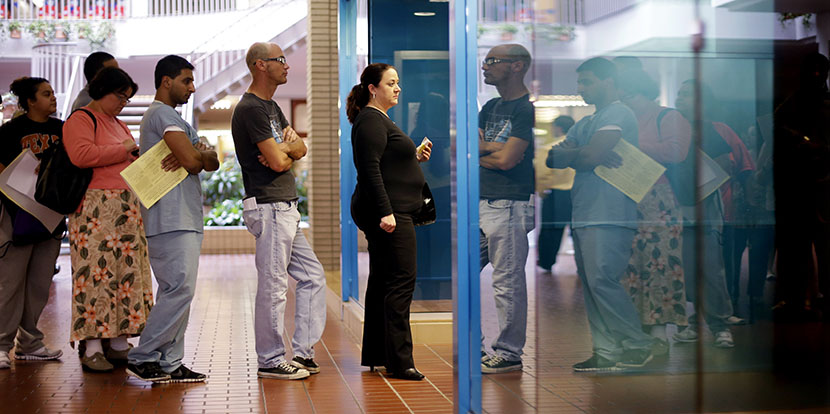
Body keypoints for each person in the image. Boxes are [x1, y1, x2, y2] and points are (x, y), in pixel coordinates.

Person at [547, 57, 655, 371]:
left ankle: (636, 343)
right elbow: (552, 158)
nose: (581, 88)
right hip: (586, 211)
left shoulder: (619, 112)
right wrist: (582, 154)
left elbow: (591, 154)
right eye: (580, 82)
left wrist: (582, 154)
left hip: (610, 211)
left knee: (603, 280)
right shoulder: (584, 122)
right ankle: (607, 350)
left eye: (588, 82)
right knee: (593, 284)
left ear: (609, 81)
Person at [232, 42, 327, 380]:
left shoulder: (271, 107)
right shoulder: (252, 109)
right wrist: (285, 151)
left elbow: (299, 147)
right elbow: (275, 161)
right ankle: (270, 360)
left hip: (286, 208)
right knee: (273, 285)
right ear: (260, 65)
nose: (287, 65)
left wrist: (285, 148)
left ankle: (302, 353)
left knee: (313, 277)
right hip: (269, 205)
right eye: (280, 60)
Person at [126, 55, 219, 383]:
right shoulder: (162, 114)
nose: (192, 88)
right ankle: (143, 355)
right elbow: (194, 162)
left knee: (179, 290)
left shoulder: (174, 118)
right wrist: (197, 154)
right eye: (186, 81)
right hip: (170, 217)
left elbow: (210, 159)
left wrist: (200, 154)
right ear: (166, 81)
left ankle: (170, 361)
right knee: (179, 288)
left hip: (183, 216)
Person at [63, 67, 154, 372]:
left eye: (127, 99)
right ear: (103, 90)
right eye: (120, 96)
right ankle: (91, 348)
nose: (123, 103)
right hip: (95, 207)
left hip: (124, 206)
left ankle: (118, 342)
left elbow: (127, 156)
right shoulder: (81, 118)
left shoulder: (117, 123)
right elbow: (81, 155)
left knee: (124, 275)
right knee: (95, 274)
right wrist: (125, 149)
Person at [348, 62, 433, 381]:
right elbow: (368, 169)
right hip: (392, 214)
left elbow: (386, 163)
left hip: (395, 211)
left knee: (384, 282)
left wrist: (414, 156)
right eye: (391, 83)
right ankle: (400, 361)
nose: (398, 88)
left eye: (399, 83)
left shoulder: (379, 119)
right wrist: (386, 212)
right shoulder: (370, 120)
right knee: (401, 282)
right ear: (373, 88)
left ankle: (379, 354)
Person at [617, 68, 690, 355]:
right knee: (630, 264)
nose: (624, 98)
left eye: (629, 93)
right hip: (625, 195)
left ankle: (659, 330)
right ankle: (634, 329)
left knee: (661, 262)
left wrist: (629, 145)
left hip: (658, 198)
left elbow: (676, 152)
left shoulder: (668, 116)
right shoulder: (620, 117)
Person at [0, 77, 65, 369]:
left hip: (50, 217)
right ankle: (1, 344)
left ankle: (30, 343)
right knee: (10, 283)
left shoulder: (61, 129)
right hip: (17, 216)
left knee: (39, 284)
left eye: (52, 93)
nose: (53, 98)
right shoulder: (10, 131)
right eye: (46, 94)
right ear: (29, 101)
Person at [478, 44, 535, 374]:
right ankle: (477, 344)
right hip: (482, 201)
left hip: (509, 203)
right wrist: (493, 149)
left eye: (492, 61)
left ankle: (510, 352)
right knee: (464, 275)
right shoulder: (491, 106)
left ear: (517, 66)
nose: (485, 67)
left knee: (507, 281)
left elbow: (508, 160)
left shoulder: (525, 109)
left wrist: (489, 150)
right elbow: (469, 148)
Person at [671, 79, 738, 347]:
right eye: (680, 93)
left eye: (687, 95)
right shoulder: (674, 129)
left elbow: (723, 169)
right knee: (684, 269)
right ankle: (692, 323)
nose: (680, 99)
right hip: (676, 208)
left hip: (703, 208)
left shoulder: (710, 132)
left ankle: (720, 324)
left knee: (710, 268)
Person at [534, 115, 575, 273]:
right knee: (578, 231)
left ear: (558, 127)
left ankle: (547, 262)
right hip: (578, 194)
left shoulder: (549, 148)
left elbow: (542, 175)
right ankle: (582, 264)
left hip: (556, 194)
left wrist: (542, 191)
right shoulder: (580, 147)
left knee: (550, 230)